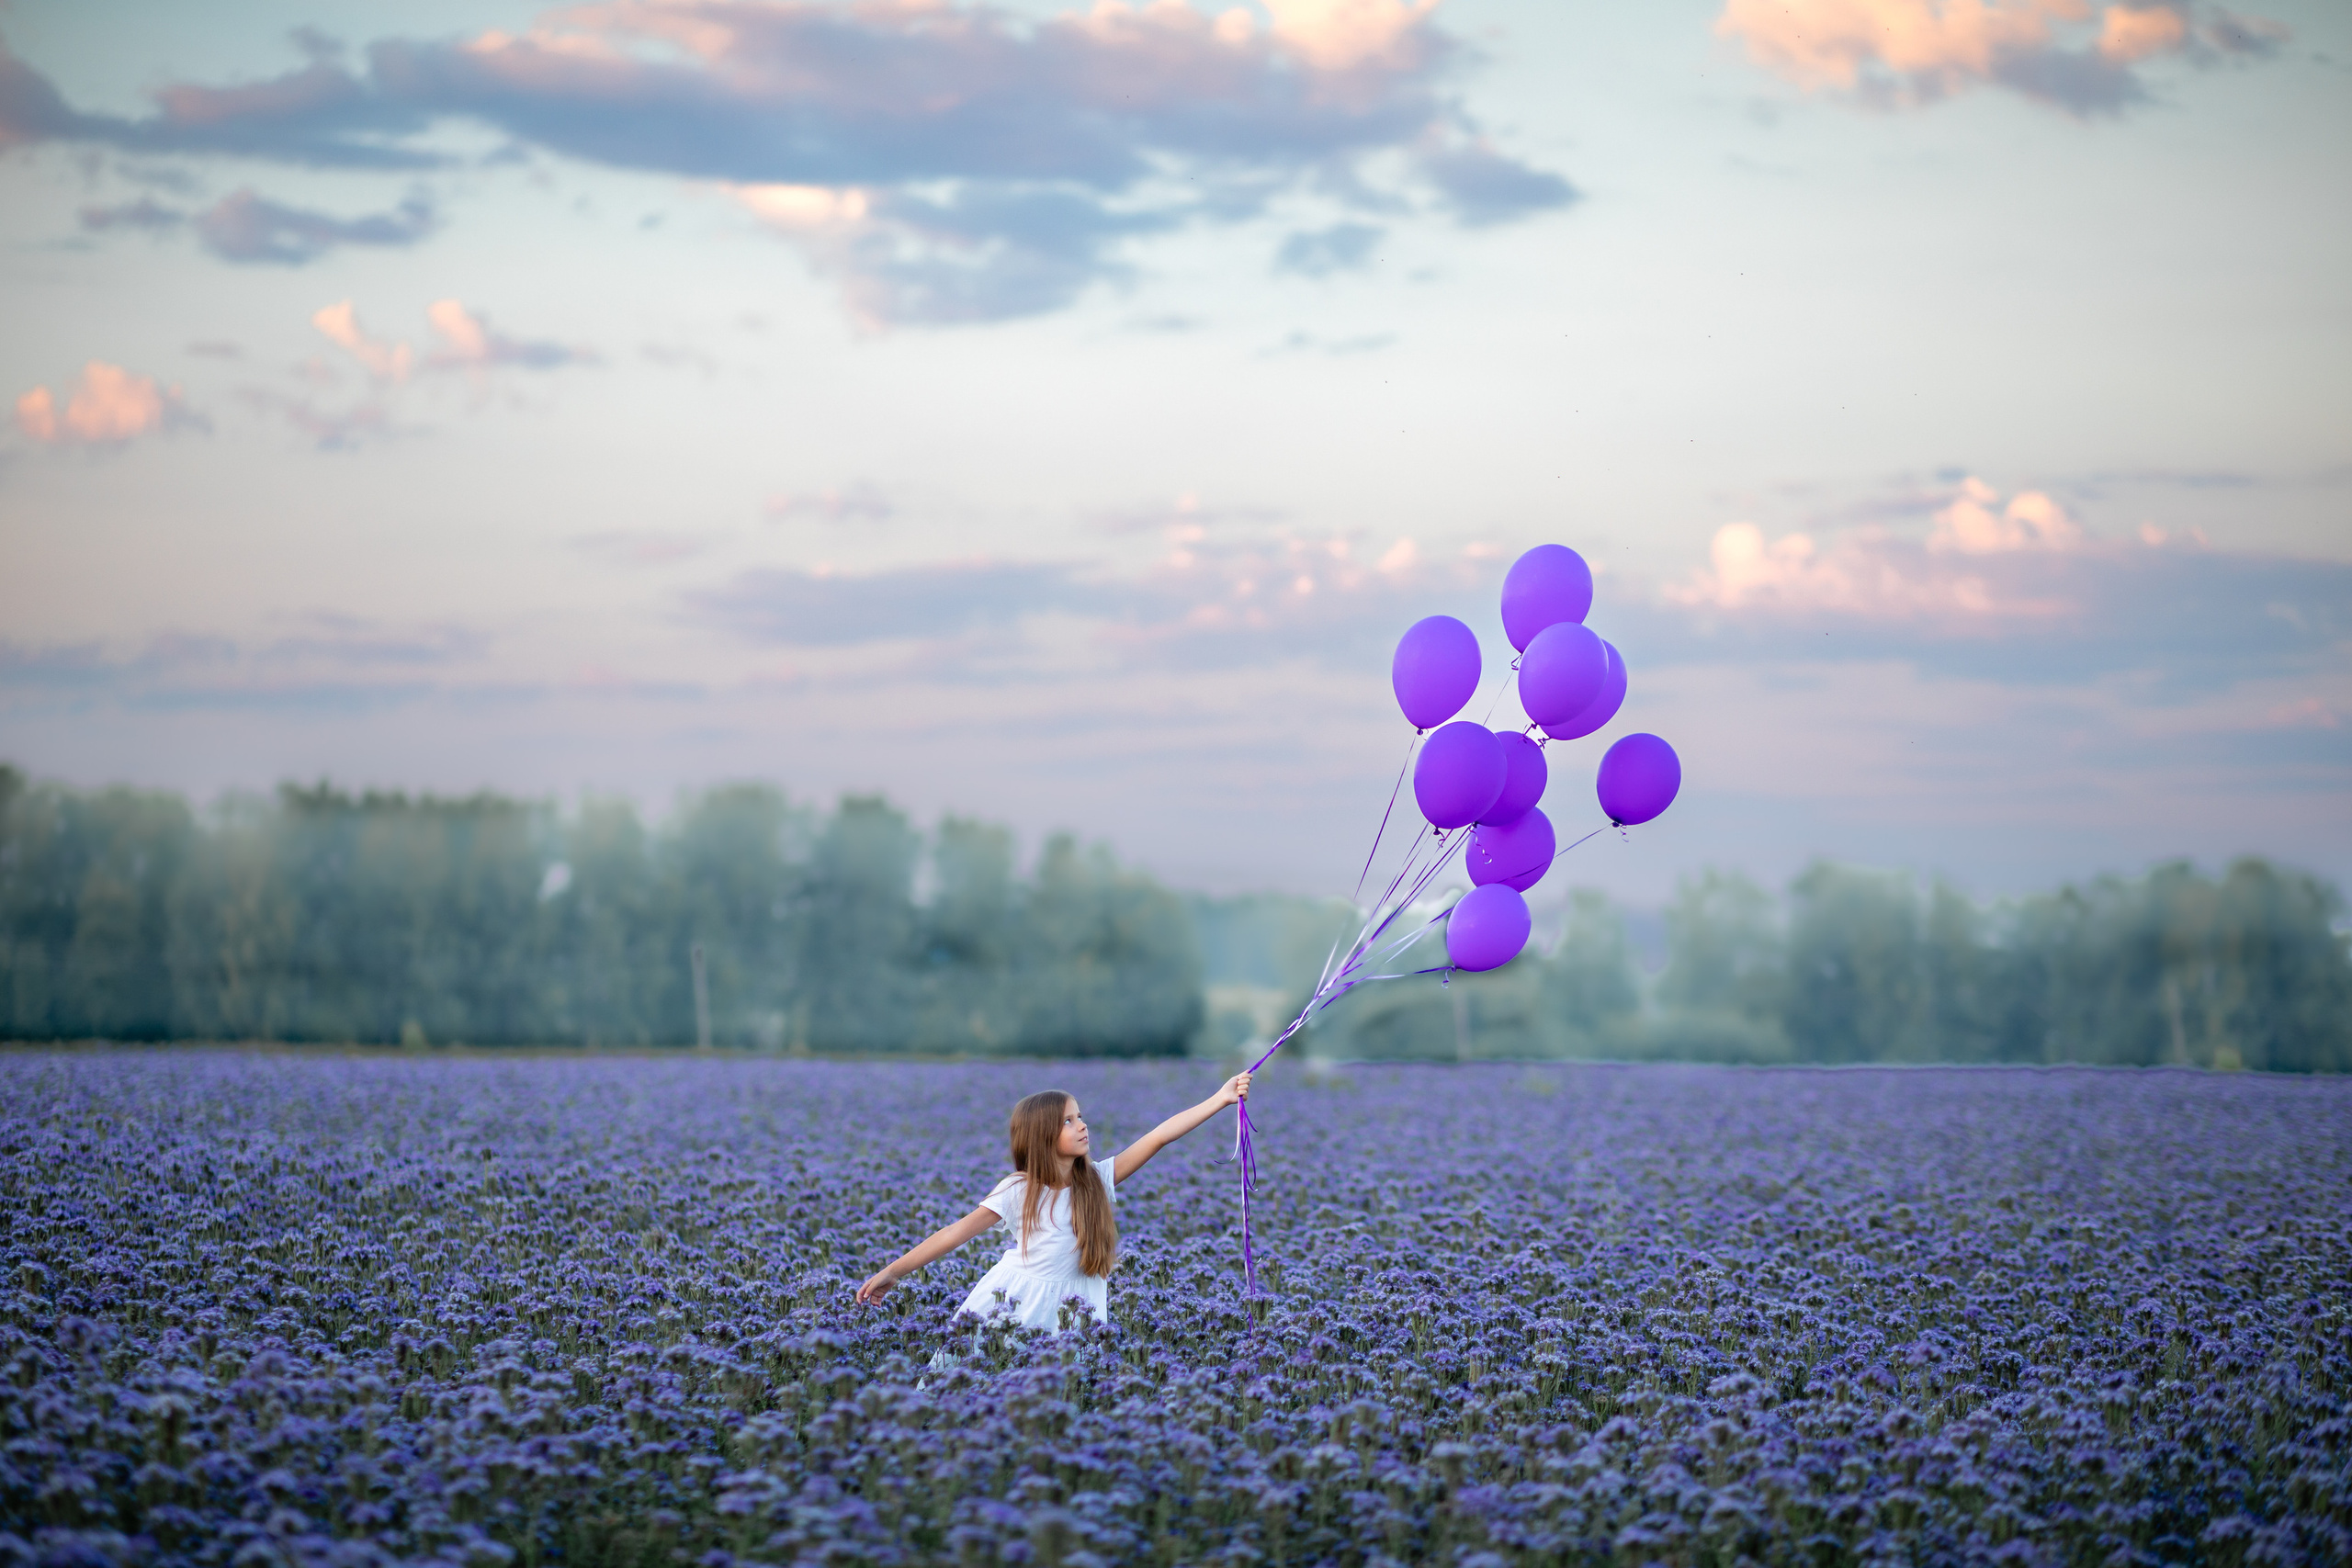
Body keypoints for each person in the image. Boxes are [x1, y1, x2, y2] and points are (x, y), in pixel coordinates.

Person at [854, 1073, 1251, 1330]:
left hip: (1078, 1309)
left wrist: (1218, 1099)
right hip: (1013, 1305)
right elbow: (954, 1234)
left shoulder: (1096, 1180)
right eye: (1068, 1121)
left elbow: (1160, 1136)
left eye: (1080, 1117)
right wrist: (894, 1271)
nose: (1082, 1126)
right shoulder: (1018, 1190)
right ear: (1042, 1136)